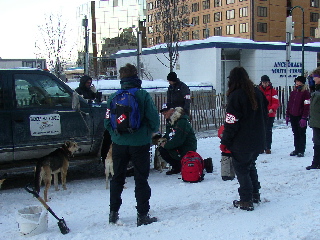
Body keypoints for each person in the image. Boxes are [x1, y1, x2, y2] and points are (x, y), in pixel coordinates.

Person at [104, 63, 160, 227]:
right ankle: (142, 215)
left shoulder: (113, 97)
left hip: (119, 143)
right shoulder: (142, 95)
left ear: (121, 78)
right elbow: (154, 121)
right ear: (136, 77)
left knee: (117, 178)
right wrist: (148, 131)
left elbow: (107, 122)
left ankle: (113, 213)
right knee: (141, 178)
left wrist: (116, 135)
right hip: (140, 143)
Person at [220, 66, 268, 211]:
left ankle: (246, 200)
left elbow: (231, 122)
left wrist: (225, 141)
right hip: (257, 139)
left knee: (242, 169)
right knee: (250, 166)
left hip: (242, 141)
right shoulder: (257, 93)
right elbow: (265, 115)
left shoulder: (235, 96)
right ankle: (255, 193)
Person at [157, 103, 197, 175]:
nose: (163, 113)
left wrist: (165, 145)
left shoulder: (182, 122)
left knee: (164, 150)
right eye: (163, 112)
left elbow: (178, 140)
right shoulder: (171, 121)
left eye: (166, 111)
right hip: (179, 146)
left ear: (172, 111)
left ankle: (179, 165)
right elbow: (168, 135)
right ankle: (177, 166)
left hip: (186, 148)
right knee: (162, 149)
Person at [285, 76, 310, 157]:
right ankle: (296, 149)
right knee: (295, 133)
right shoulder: (293, 92)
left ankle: (301, 150)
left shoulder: (305, 93)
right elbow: (290, 104)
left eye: (299, 81)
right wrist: (288, 114)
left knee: (301, 133)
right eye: (296, 81)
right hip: (293, 115)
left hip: (300, 116)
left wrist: (304, 117)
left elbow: (307, 106)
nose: (297, 83)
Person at [259, 75, 280, 154]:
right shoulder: (258, 90)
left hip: (270, 114)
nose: (265, 84)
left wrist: (272, 109)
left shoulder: (273, 91)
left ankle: (268, 147)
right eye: (263, 82)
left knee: (268, 130)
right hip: (260, 114)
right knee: (260, 130)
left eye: (266, 82)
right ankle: (261, 146)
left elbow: (275, 102)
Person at [306, 68, 320, 170]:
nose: (313, 79)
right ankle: (316, 162)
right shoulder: (316, 89)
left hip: (318, 121)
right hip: (316, 121)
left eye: (315, 76)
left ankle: (316, 163)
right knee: (317, 143)